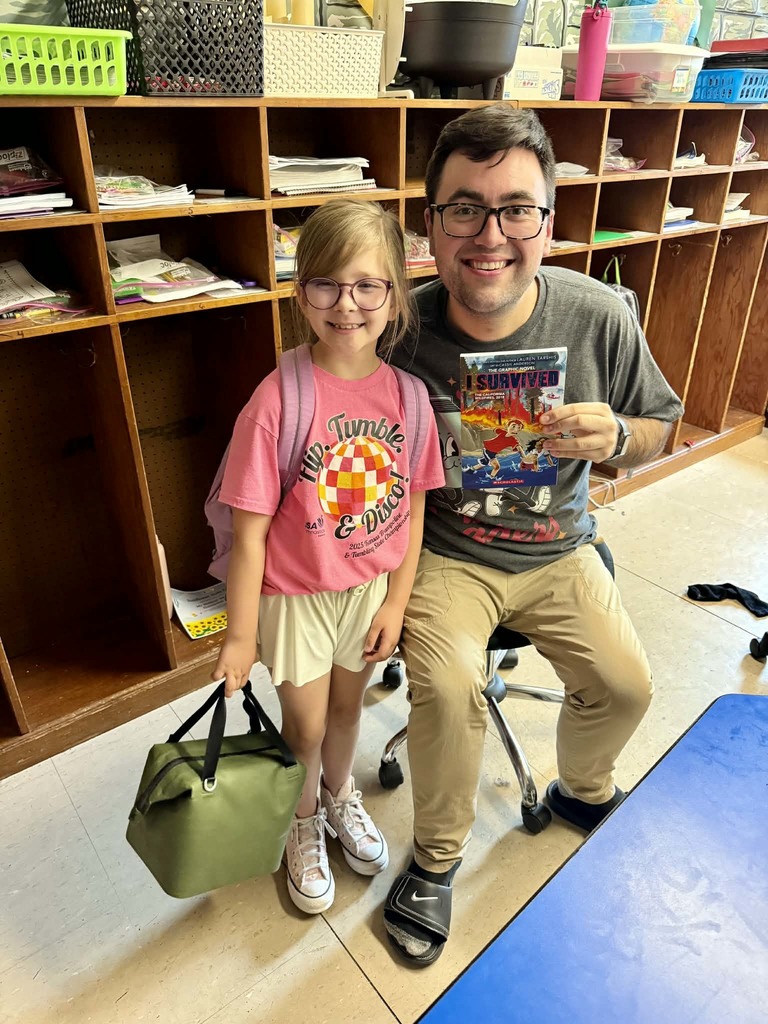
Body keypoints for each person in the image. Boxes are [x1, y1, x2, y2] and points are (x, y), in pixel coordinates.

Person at [382, 104, 684, 967]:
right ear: (430, 225)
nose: (491, 235)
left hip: (559, 547)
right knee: (446, 687)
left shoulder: (596, 315)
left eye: (517, 209)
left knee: (626, 686)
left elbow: (666, 422)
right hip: (447, 553)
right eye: (464, 209)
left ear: (547, 220)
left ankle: (582, 789)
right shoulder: (398, 330)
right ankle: (436, 859)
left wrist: (620, 438)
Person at [211, 200, 444, 915]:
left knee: (348, 711)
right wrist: (241, 637)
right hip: (295, 596)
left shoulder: (408, 398)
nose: (347, 305)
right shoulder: (277, 399)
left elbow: (414, 505)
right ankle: (303, 817)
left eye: (368, 285)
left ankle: (339, 793)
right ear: (300, 290)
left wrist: (398, 601)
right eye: (327, 285)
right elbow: (249, 535)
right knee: (305, 725)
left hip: (369, 589)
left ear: (396, 295)